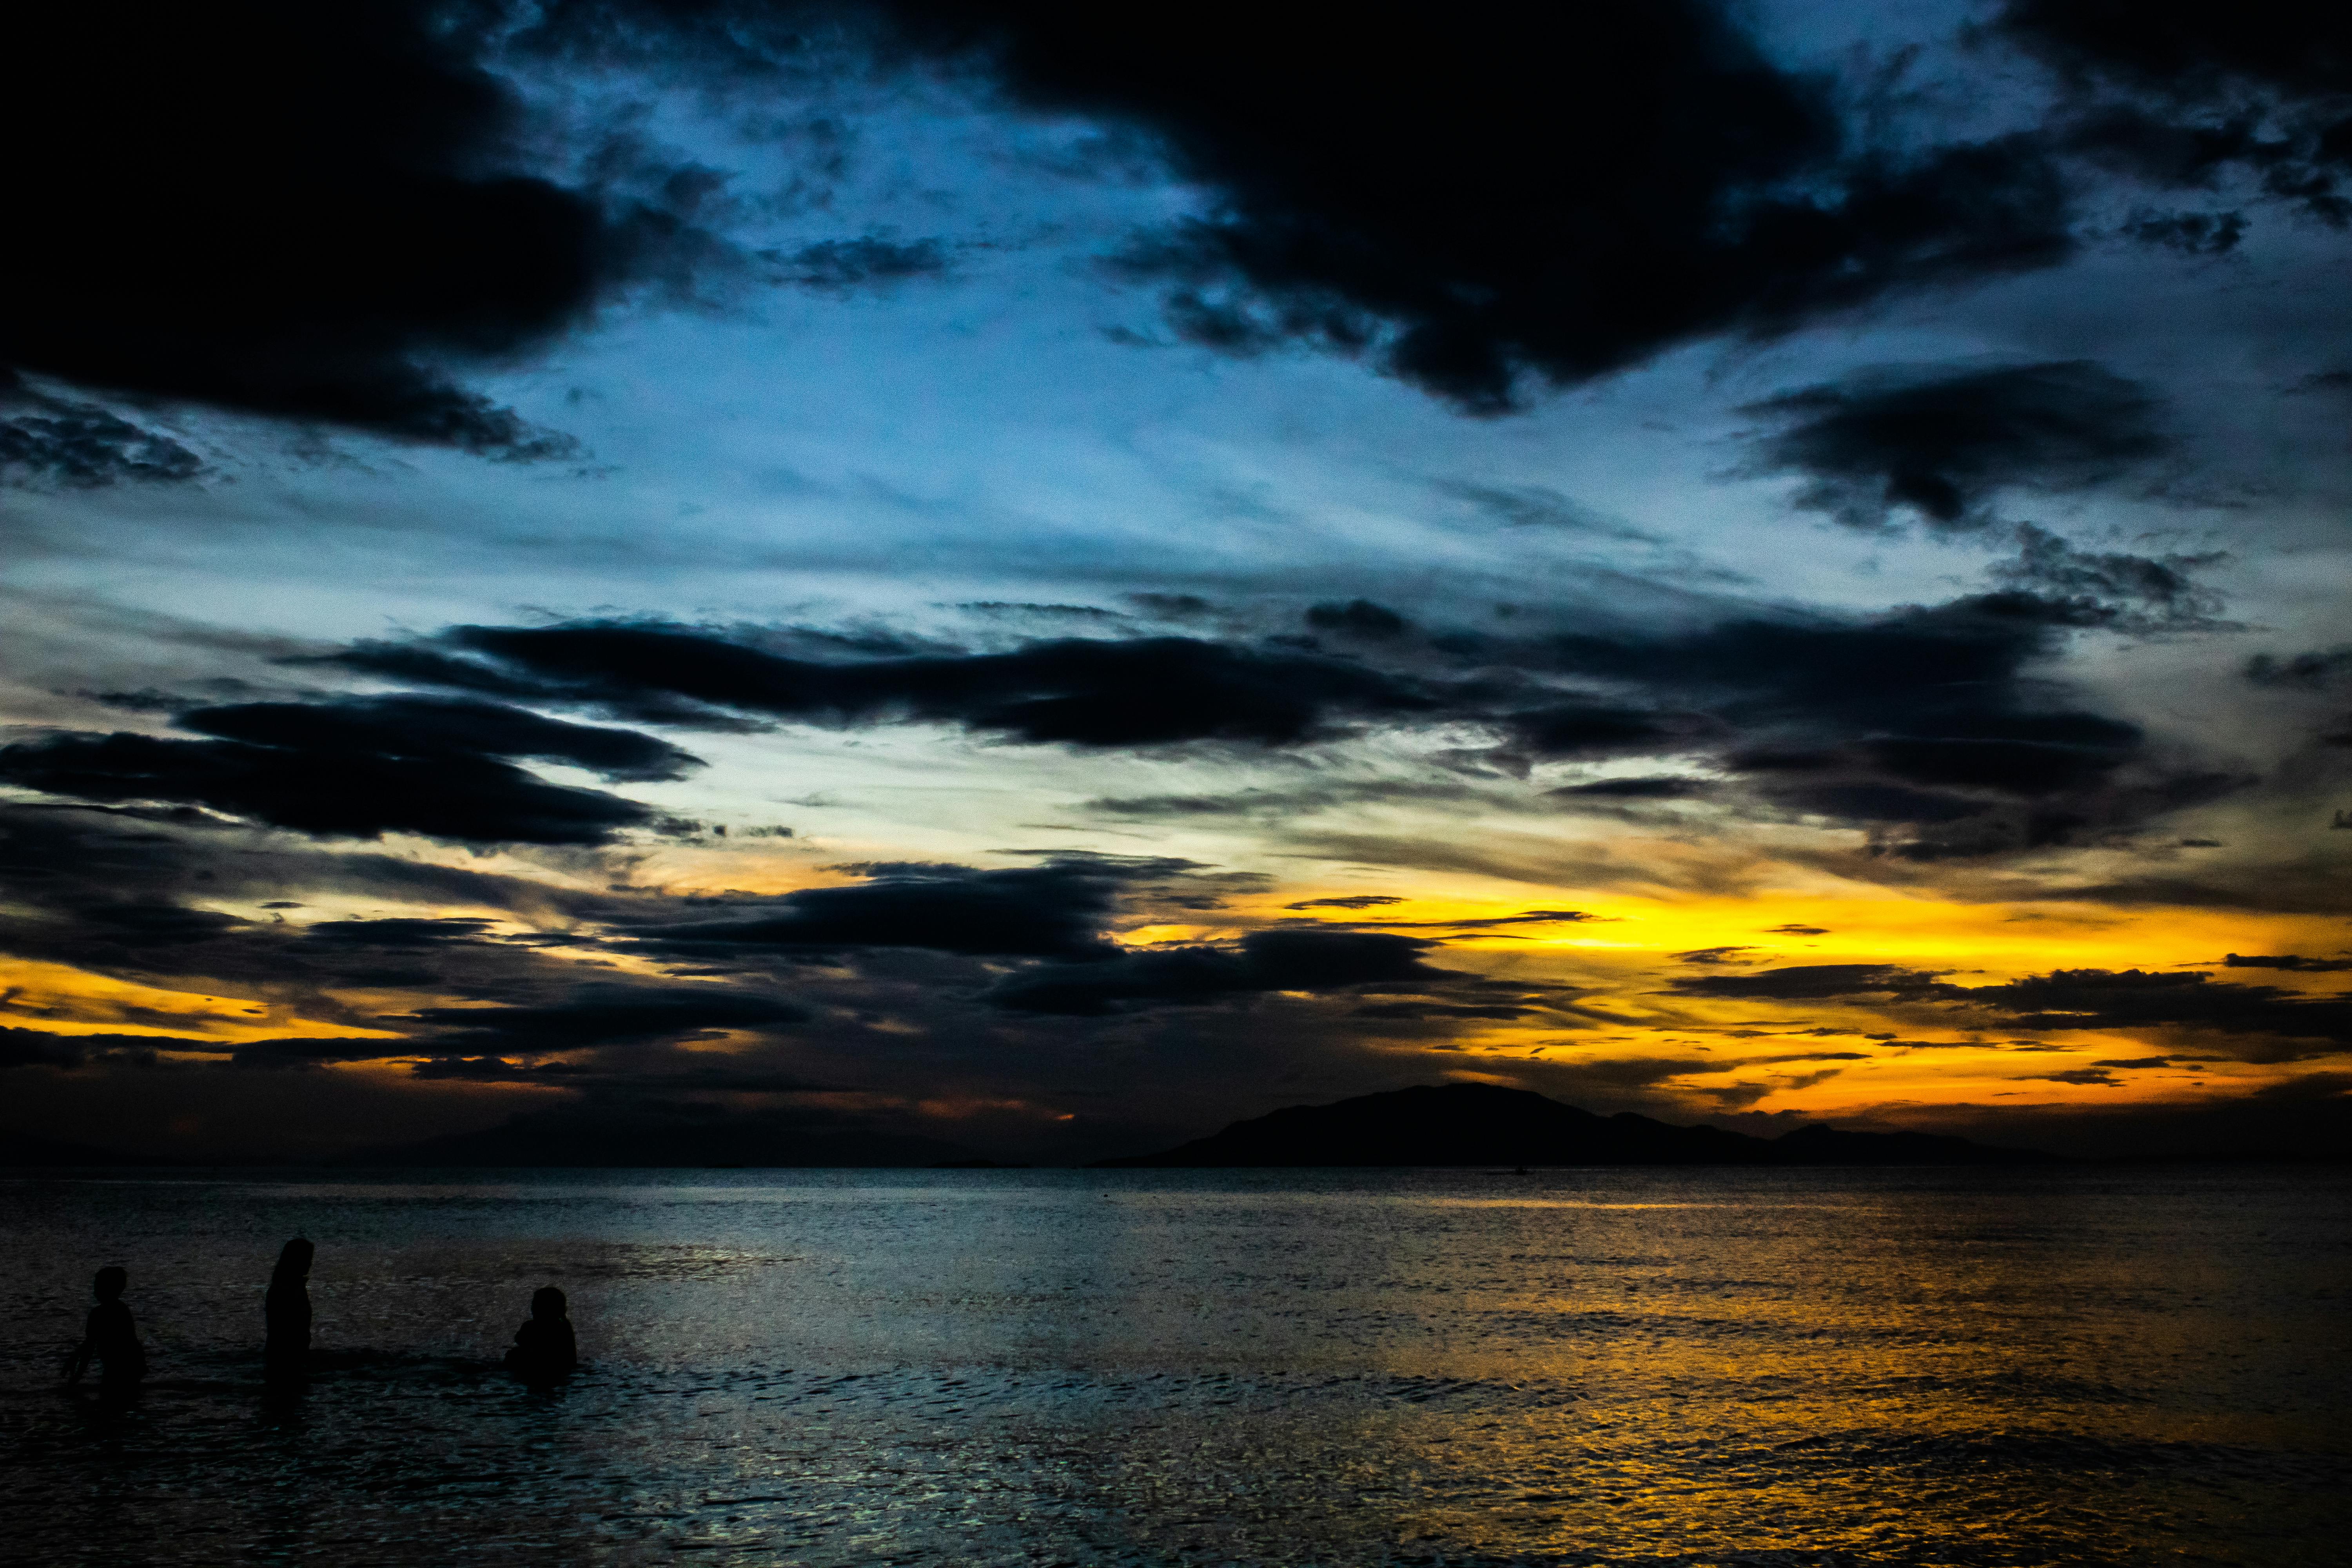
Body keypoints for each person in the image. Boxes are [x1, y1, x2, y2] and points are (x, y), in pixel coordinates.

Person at [62, 1267, 146, 1389]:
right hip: (132, 1362)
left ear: (108, 1288)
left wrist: (77, 1377)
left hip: (122, 1365)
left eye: (97, 1286)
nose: (94, 1291)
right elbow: (91, 1342)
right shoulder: (122, 1309)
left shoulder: (100, 1314)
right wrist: (75, 1356)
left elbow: (90, 1346)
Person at [503, 1285, 577, 1384]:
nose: (532, 1309)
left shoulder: (536, 1327)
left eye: (535, 1305)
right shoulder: (564, 1325)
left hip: (542, 1371)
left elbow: (521, 1340)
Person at [264, 1238, 313, 1385]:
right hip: (286, 1356)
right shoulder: (287, 1290)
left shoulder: (289, 1287)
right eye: (307, 1259)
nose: (310, 1264)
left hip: (289, 1354)